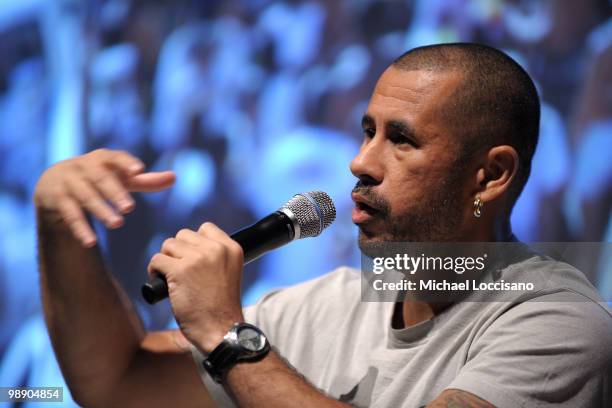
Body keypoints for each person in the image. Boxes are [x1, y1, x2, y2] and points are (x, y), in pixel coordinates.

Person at [34, 43, 611, 407]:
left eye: (401, 139)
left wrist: (228, 335)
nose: (360, 162)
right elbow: (118, 383)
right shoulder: (323, 307)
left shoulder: (559, 325)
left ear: (490, 176)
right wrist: (61, 231)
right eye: (368, 131)